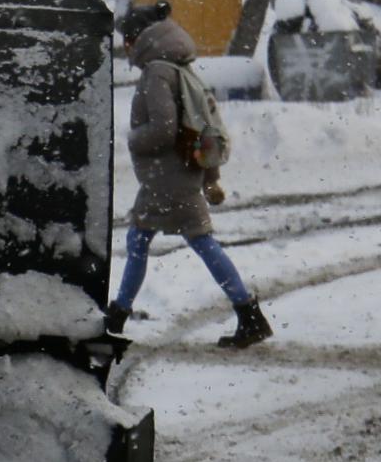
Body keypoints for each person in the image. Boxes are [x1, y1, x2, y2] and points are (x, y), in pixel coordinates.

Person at [113, 18, 268, 349]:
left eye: (127, 41)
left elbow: (164, 129)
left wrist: (133, 139)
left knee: (148, 240)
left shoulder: (157, 72)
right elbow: (203, 124)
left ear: (138, 40)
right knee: (180, 240)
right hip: (181, 175)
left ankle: (117, 317)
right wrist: (210, 175)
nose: (127, 48)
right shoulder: (181, 69)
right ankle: (248, 313)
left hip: (165, 179)